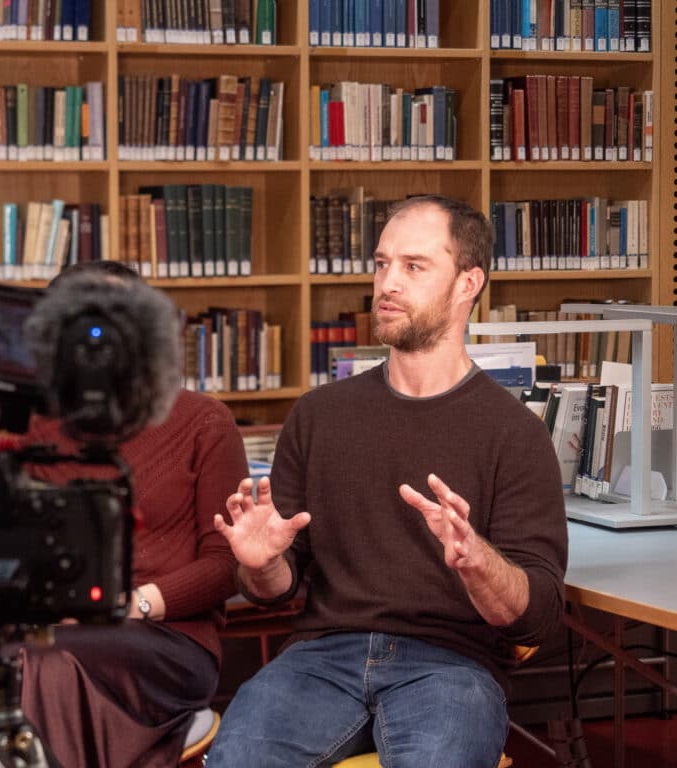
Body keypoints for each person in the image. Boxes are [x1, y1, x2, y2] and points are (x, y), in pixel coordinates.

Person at [206, 195, 569, 768]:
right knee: (238, 757)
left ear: (468, 283)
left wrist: (479, 563)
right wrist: (260, 563)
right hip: (322, 657)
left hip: (453, 665)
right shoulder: (319, 414)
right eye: (381, 264)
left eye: (413, 266)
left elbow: (539, 615)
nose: (387, 283)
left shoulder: (515, 433)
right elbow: (277, 585)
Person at [17, 261, 249, 768]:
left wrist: (131, 604)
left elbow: (226, 563)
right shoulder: (30, 427)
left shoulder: (203, 421)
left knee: (46, 667)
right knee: (25, 667)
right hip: (56, 631)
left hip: (166, 638)